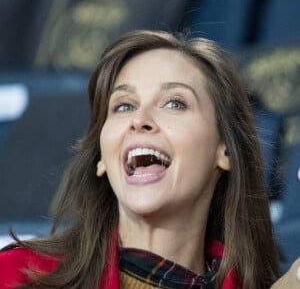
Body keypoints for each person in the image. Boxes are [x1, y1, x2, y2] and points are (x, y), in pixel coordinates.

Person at [0, 30, 280, 288]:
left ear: (225, 150)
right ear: (101, 158)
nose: (139, 119)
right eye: (123, 106)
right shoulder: (16, 276)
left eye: (174, 103)